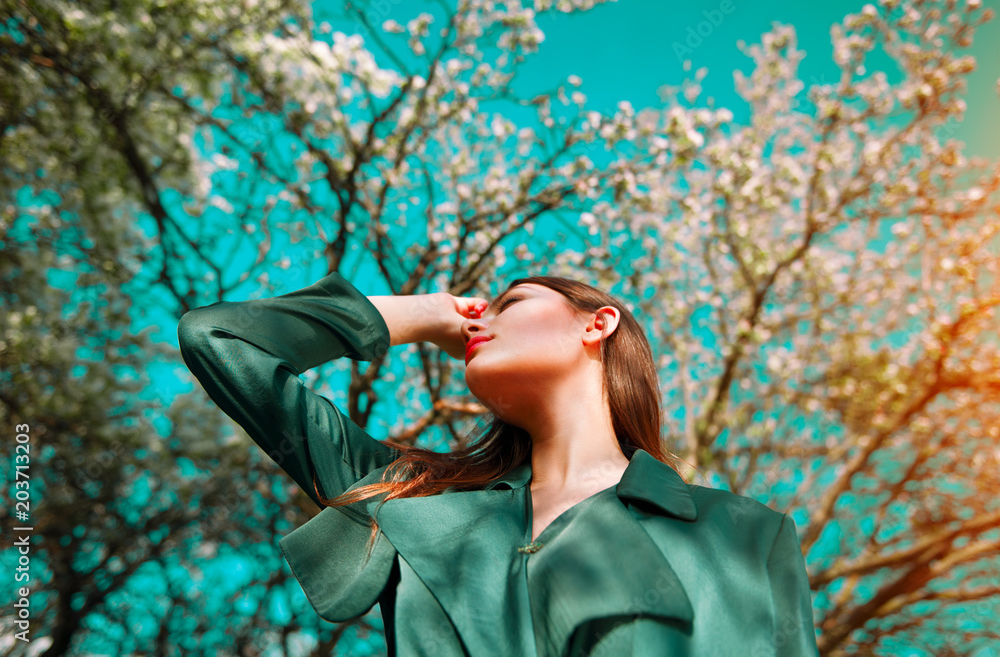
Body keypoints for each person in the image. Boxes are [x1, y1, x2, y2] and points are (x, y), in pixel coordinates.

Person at [177, 269, 820, 656]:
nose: (482, 316)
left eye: (510, 302)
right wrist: (419, 315)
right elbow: (221, 339)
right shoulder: (409, 497)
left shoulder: (742, 534)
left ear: (597, 325)